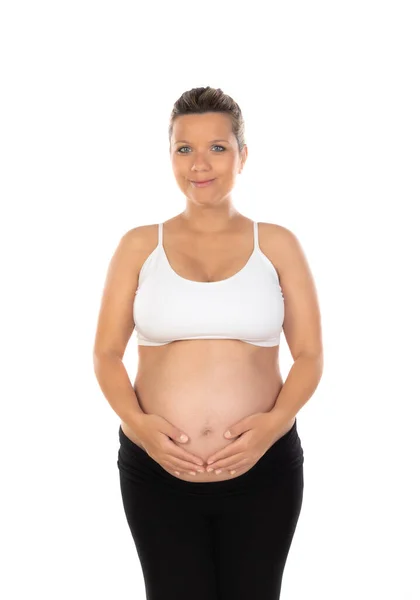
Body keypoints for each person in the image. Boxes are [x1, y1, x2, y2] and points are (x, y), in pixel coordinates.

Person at [93, 86, 323, 600]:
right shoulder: (138, 245)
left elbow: (309, 356)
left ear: (243, 155)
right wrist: (141, 429)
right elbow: (106, 355)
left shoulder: (278, 243)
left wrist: (271, 427)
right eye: (184, 148)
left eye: (217, 147)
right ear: (169, 156)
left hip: (264, 470)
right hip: (155, 470)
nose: (200, 164)